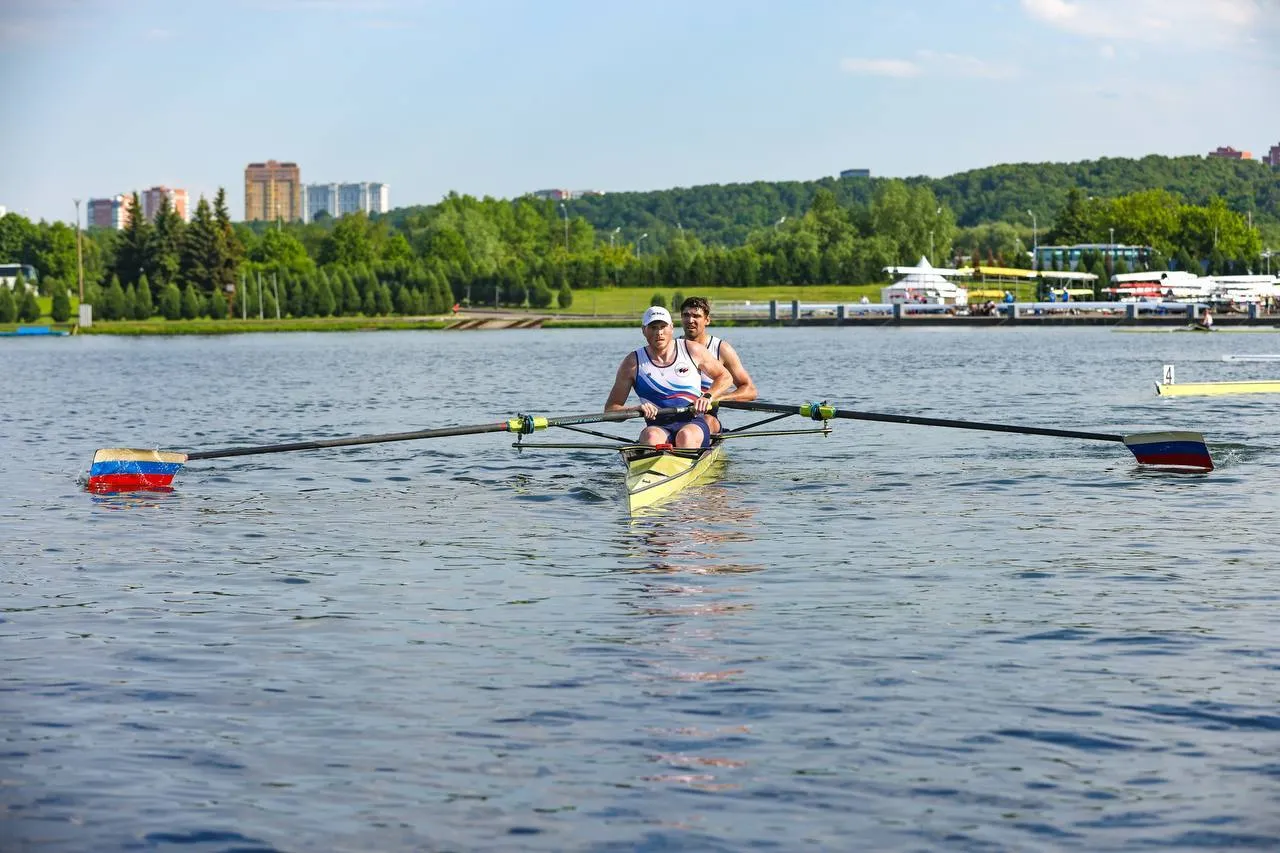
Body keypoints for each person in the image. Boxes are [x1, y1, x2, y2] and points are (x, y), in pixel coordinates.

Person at [605, 306, 732, 449]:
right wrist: (637, 408)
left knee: (685, 437)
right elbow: (611, 410)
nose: (659, 332)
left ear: (671, 328)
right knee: (650, 437)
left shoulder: (692, 350)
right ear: (643, 330)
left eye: (663, 326)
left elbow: (725, 377)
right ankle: (659, 464)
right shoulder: (632, 363)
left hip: (692, 421)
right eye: (653, 327)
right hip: (658, 426)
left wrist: (708, 396)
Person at [677, 296, 758, 435]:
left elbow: (750, 390)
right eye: (686, 315)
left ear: (707, 320)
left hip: (707, 416)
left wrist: (716, 397)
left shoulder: (722, 349)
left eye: (696, 316)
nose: (690, 320)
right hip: (675, 414)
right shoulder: (671, 348)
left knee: (706, 422)